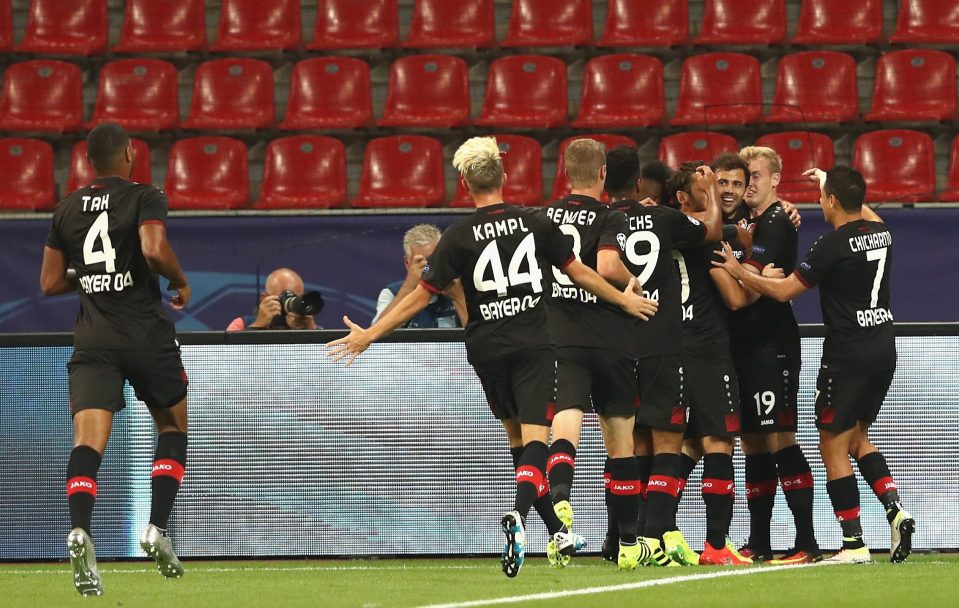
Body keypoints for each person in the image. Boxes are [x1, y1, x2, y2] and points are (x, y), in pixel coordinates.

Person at [326, 136, 657, 578]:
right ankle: (519, 515)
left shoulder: (458, 236)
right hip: (533, 343)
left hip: (485, 348)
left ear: (465, 186)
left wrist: (370, 334)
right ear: (505, 177)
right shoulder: (535, 223)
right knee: (538, 440)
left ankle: (558, 529)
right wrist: (623, 301)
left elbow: (420, 298)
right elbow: (580, 273)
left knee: (520, 446)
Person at [713, 165, 915, 564]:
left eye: (824, 196)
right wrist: (830, 180)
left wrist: (738, 272)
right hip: (883, 348)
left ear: (834, 201)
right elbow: (867, 212)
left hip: (847, 353)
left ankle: (853, 543)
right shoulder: (882, 233)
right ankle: (895, 508)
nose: (820, 203)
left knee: (831, 444)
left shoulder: (830, 245)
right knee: (857, 438)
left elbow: (785, 289)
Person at [40, 123, 190, 596]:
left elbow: (48, 283)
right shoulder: (146, 195)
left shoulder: (65, 209)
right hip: (144, 334)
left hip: (94, 340)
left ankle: (81, 529)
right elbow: (152, 247)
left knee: (89, 442)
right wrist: (180, 281)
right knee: (171, 427)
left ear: (87, 162)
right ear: (129, 153)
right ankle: (156, 528)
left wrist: (90, 273)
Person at [543, 138, 659, 570]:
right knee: (620, 440)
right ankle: (628, 543)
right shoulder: (610, 215)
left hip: (562, 334)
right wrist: (631, 284)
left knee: (566, 416)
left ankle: (560, 501)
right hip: (611, 336)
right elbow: (609, 265)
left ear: (564, 172)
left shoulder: (545, 216)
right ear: (603, 175)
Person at [604, 146, 723, 568]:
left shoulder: (600, 223)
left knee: (629, 444)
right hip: (662, 343)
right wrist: (708, 192)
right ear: (639, 184)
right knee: (667, 443)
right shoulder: (663, 218)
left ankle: (623, 539)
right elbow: (709, 230)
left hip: (616, 344)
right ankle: (654, 539)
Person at [729, 146, 821, 565]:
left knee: (782, 439)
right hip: (746, 347)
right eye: (745, 176)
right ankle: (759, 542)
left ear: (776, 180)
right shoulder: (745, 221)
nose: (749, 183)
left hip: (773, 346)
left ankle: (807, 542)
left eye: (756, 176)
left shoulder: (779, 220)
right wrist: (748, 269)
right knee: (753, 443)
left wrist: (739, 270)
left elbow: (751, 285)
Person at [669, 161, 754, 566]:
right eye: (705, 187)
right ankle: (717, 545)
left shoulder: (665, 226)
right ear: (683, 197)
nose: (715, 192)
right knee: (720, 442)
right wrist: (756, 276)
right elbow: (736, 300)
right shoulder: (704, 235)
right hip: (706, 347)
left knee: (686, 445)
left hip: (674, 347)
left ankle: (659, 534)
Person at [372, 224, 461, 328]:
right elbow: (376, 338)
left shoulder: (458, 288)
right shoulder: (392, 293)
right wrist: (408, 289)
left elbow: (478, 337)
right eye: (424, 261)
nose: (431, 266)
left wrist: (459, 298)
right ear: (407, 263)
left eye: (436, 258)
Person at [226, 268, 319, 331]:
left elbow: (328, 357)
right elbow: (226, 357)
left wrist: (311, 330)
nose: (289, 304)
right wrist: (258, 326)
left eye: (296, 299)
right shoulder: (242, 324)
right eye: (284, 298)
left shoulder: (308, 326)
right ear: (264, 298)